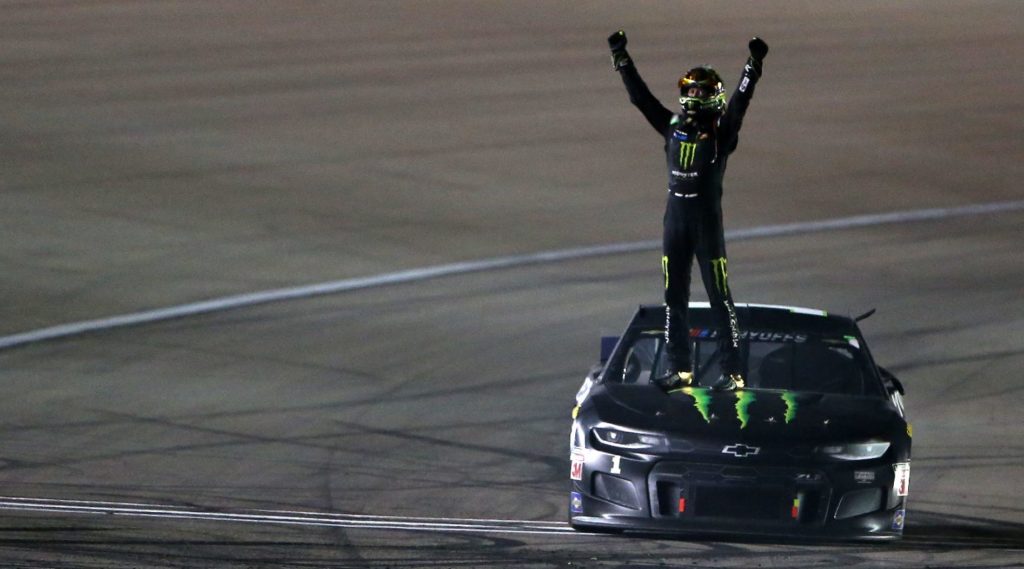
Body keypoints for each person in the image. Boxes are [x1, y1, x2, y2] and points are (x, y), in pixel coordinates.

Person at [608, 29, 768, 392]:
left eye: (701, 91)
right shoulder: (671, 127)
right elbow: (641, 99)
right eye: (690, 90)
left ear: (713, 97)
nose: (693, 96)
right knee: (673, 297)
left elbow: (741, 105)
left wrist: (752, 66)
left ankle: (734, 373)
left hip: (706, 225)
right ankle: (680, 368)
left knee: (719, 297)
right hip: (674, 222)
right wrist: (621, 58)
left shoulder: (722, 133)